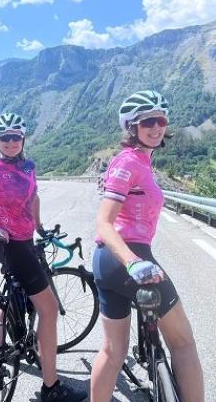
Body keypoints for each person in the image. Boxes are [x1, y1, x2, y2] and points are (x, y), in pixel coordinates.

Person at [0, 112, 87, 402]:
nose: (11, 142)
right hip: (10, 245)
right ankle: (51, 388)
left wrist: (40, 227)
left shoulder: (29, 166)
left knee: (16, 294)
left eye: (15, 136)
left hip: (27, 241)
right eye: (5, 137)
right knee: (49, 310)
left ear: (23, 137)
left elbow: (34, 198)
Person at [90, 91, 204, 402]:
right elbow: (104, 223)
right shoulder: (128, 162)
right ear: (131, 126)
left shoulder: (139, 161)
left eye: (162, 121)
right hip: (128, 257)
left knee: (113, 351)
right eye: (148, 121)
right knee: (183, 344)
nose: (157, 127)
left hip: (107, 262)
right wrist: (132, 261)